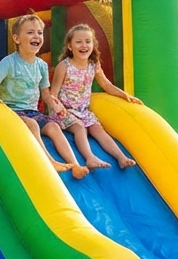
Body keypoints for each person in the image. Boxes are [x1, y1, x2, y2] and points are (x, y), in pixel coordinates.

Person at [0, 15, 89, 180]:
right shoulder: (9, 62)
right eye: (30, 32)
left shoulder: (41, 65)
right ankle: (48, 160)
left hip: (33, 111)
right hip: (12, 111)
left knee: (53, 126)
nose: (37, 37)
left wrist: (55, 105)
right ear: (17, 38)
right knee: (32, 124)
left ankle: (75, 165)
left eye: (40, 33)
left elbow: (45, 93)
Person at [49, 24, 141, 170]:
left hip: (84, 112)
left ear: (93, 44)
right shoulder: (64, 66)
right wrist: (58, 108)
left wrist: (125, 96)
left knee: (98, 129)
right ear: (70, 46)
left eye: (88, 41)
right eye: (78, 42)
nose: (84, 45)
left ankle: (121, 157)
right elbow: (53, 93)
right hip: (64, 112)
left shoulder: (93, 65)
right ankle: (90, 158)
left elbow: (106, 85)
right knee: (80, 128)